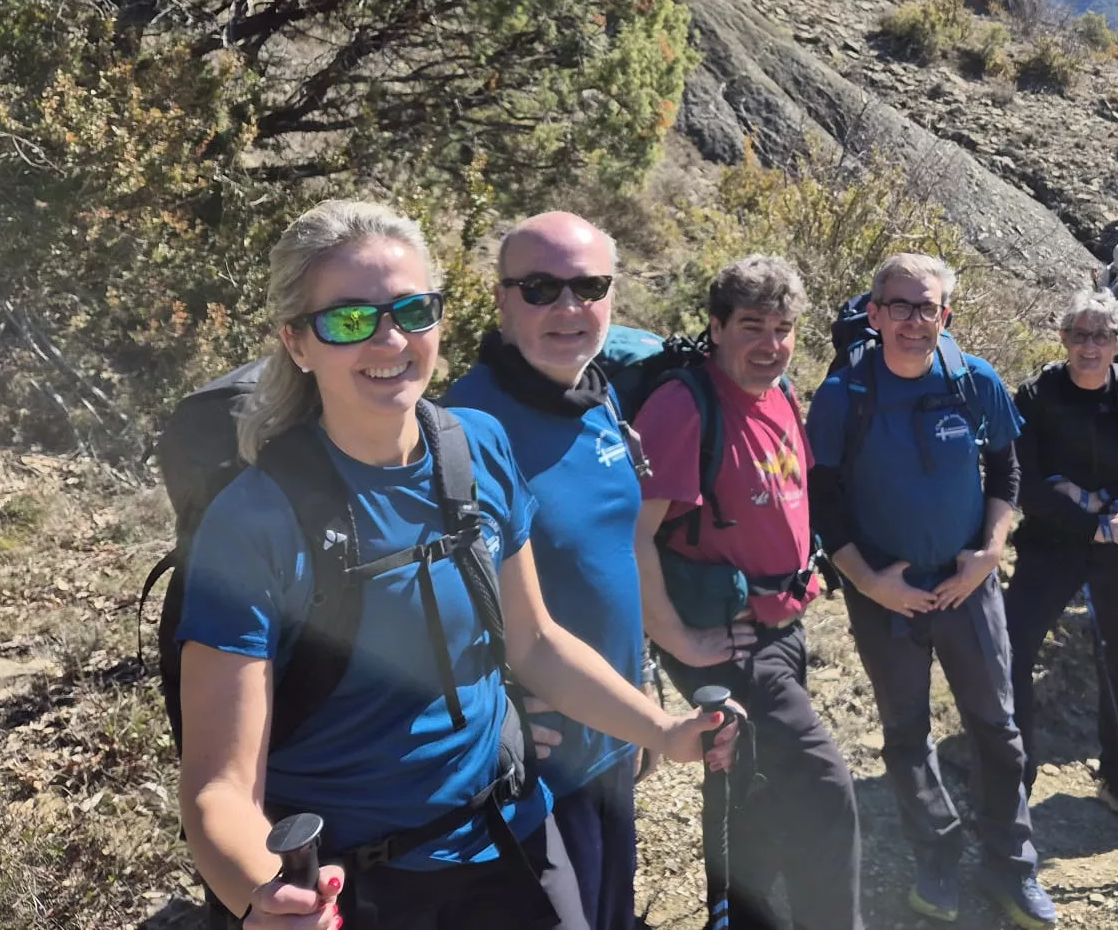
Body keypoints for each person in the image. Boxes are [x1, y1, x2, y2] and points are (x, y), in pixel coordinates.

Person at [175, 200, 734, 930]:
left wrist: (661, 731)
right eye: (349, 319)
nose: (390, 339)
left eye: (413, 310)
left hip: (510, 837)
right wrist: (263, 895)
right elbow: (219, 788)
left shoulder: (476, 448)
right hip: (356, 886)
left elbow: (534, 644)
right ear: (298, 343)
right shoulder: (255, 522)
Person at [806, 253, 1056, 928]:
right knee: (906, 734)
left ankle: (1011, 865)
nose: (914, 322)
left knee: (997, 731)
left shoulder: (973, 381)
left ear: (944, 314)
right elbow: (823, 501)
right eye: (900, 308)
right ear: (875, 313)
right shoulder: (843, 396)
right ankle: (937, 856)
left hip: (967, 582)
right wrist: (867, 581)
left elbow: (1006, 470)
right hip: (884, 591)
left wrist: (989, 550)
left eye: (928, 309)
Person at [630, 255, 862, 930]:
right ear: (716, 327)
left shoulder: (781, 391)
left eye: (784, 328)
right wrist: (678, 640)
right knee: (824, 788)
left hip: (781, 626)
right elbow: (632, 534)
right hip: (726, 637)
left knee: (754, 785)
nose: (771, 344)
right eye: (753, 326)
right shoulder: (682, 407)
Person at [442, 213, 646, 930]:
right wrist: (492, 706)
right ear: (501, 301)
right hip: (537, 760)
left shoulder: (596, 395)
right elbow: (425, 601)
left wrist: (637, 714)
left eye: (588, 286)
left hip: (609, 731)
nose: (567, 307)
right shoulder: (461, 429)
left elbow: (611, 558)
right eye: (539, 288)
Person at [1005, 290, 1118, 817]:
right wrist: (1086, 521)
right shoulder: (1035, 395)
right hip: (1050, 543)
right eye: (1079, 334)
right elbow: (1019, 481)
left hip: (1117, 543)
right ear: (1063, 339)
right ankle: (1015, 774)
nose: (1089, 346)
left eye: (1101, 336)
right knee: (1013, 650)